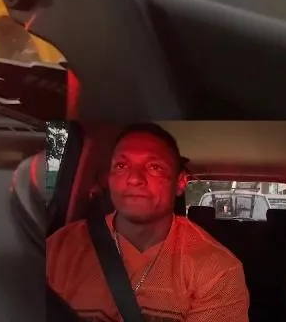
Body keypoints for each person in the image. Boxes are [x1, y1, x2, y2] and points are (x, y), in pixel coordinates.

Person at [46, 123, 250, 321]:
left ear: (180, 182)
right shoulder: (58, 250)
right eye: (121, 165)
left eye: (154, 167)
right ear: (109, 178)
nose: (134, 179)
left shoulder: (217, 269)